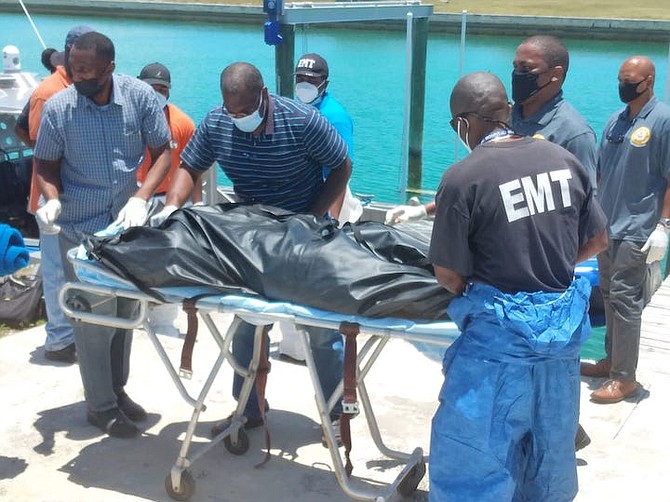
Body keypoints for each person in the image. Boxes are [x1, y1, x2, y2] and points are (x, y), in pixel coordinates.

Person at [427, 71, 607, 501]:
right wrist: (552, 262)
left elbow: (448, 276)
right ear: (505, 112)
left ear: (465, 123)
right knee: (547, 461)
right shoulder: (564, 160)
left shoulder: (463, 177)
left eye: (457, 127)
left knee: (473, 468)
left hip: (496, 354)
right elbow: (598, 239)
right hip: (561, 348)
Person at [154, 62, 352, 438]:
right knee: (246, 327)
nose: (239, 118)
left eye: (246, 111)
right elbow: (189, 167)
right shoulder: (217, 123)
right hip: (251, 236)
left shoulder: (304, 121)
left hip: (303, 233)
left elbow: (342, 166)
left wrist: (310, 218)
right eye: (233, 112)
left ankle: (337, 416)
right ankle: (249, 409)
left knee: (320, 332)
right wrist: (171, 208)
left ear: (263, 95)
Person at [33, 31, 172, 438]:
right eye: (73, 70)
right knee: (93, 320)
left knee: (126, 313)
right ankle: (101, 405)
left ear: (109, 67)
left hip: (125, 226)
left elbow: (163, 151)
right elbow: (45, 164)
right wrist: (51, 199)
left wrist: (143, 196)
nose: (79, 78)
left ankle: (117, 389)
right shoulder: (60, 108)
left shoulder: (139, 97)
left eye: (87, 72)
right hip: (79, 227)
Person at [386, 34, 597, 224]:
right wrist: (425, 210)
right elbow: (481, 182)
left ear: (555, 75)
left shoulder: (574, 133)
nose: (517, 74)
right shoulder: (503, 116)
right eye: (515, 67)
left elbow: (586, 213)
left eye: (526, 68)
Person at [581, 56, 670, 403]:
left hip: (638, 227)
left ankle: (624, 377)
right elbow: (600, 173)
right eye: (620, 78)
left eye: (630, 80)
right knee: (607, 296)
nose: (623, 85)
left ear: (648, 81)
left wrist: (663, 224)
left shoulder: (662, 121)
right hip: (607, 226)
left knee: (626, 302)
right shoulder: (615, 122)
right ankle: (610, 360)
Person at [278, 53, 361, 362]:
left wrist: (334, 223)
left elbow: (341, 169)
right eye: (300, 79)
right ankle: (293, 347)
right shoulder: (293, 108)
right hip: (300, 197)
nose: (304, 85)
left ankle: (319, 346)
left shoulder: (335, 116)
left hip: (329, 193)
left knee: (320, 276)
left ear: (325, 83)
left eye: (311, 81)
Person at [27, 25, 94, 364]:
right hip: (53, 197)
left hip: (81, 198)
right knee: (55, 269)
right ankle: (58, 339)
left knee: (78, 270)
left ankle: (75, 331)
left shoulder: (79, 89)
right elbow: (40, 148)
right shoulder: (48, 93)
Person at [136, 62, 200, 338]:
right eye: (152, 88)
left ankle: (164, 321)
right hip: (134, 200)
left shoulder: (183, 123)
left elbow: (194, 168)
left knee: (170, 263)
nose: (157, 93)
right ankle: (134, 314)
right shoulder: (125, 117)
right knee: (134, 260)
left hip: (170, 203)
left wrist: (196, 207)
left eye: (162, 89)